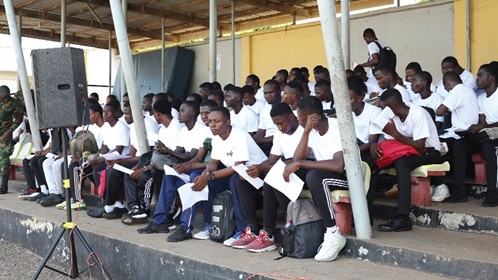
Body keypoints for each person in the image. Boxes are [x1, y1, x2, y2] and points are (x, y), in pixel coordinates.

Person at [233, 102, 308, 252]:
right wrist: (257, 168)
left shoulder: (304, 130)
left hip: (303, 169)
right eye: (276, 124)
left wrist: (265, 168)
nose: (279, 127)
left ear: (292, 117)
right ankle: (252, 229)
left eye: (281, 123)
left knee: (270, 180)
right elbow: (273, 159)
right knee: (242, 181)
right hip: (284, 169)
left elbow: (297, 161)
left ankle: (268, 233)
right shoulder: (280, 134)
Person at [190, 106, 267, 246]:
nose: (212, 125)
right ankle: (211, 224)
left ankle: (242, 229)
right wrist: (206, 174)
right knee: (206, 181)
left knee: (234, 180)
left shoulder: (240, 135)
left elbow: (239, 166)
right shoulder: (216, 138)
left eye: (217, 121)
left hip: (256, 175)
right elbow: (213, 162)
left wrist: (210, 176)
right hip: (237, 173)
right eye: (210, 121)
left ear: (228, 122)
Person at [283, 96, 347, 262]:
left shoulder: (338, 128)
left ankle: (332, 232)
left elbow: (339, 165)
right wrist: (305, 131)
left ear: (314, 117)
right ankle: (293, 226)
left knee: (314, 176)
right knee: (285, 171)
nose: (298, 120)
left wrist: (300, 163)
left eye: (300, 118)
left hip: (346, 177)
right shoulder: (312, 132)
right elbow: (297, 158)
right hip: (323, 174)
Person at [371, 89, 441, 232]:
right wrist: (374, 145)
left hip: (430, 152)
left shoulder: (418, 114)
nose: (382, 111)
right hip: (406, 150)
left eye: (384, 108)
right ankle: (365, 212)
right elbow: (391, 143)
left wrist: (395, 133)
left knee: (401, 162)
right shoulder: (394, 117)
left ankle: (403, 217)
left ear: (393, 108)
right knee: (372, 161)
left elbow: (420, 147)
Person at [139, 101, 204, 236]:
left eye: (182, 111)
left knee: (191, 177)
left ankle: (185, 227)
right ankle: (160, 221)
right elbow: (179, 152)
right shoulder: (184, 130)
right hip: (187, 166)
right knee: (168, 174)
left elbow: (192, 156)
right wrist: (166, 150)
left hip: (197, 168)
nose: (178, 114)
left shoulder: (200, 130)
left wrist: (168, 150)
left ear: (192, 114)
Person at [446, 63, 498, 206]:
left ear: (492, 78)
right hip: (485, 135)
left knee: (488, 146)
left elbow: (486, 126)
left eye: (480, 76)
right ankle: (459, 192)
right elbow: (482, 122)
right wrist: (474, 128)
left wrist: (481, 128)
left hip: (494, 136)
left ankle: (493, 193)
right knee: (459, 145)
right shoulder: (480, 99)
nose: (477, 79)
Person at [0, 85, 23, 194]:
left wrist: (10, 131)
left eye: (7, 97)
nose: (5, 99)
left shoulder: (14, 103)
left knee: (4, 158)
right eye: (3, 97)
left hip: (4, 134)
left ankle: (3, 186)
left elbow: (19, 119)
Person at [252, 80, 282, 155]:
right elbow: (260, 132)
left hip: (279, 143)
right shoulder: (265, 110)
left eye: (271, 92)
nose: (268, 96)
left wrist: (260, 140)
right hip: (266, 142)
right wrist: (251, 140)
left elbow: (283, 135)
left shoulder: (286, 108)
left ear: (279, 91)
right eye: (265, 93)